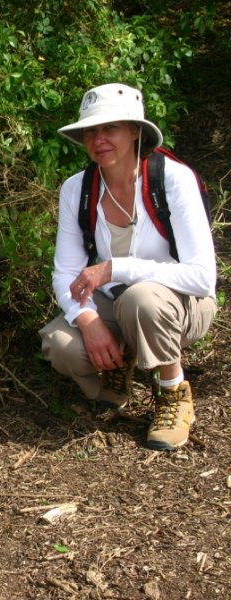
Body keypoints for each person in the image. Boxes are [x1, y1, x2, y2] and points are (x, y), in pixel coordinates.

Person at [39, 82, 217, 451]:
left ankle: (172, 393)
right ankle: (119, 365)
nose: (98, 138)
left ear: (136, 131)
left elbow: (201, 277)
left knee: (142, 300)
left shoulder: (171, 179)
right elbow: (66, 271)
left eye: (110, 128)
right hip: (116, 300)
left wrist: (114, 268)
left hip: (182, 304)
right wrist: (88, 321)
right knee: (62, 346)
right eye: (90, 130)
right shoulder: (78, 189)